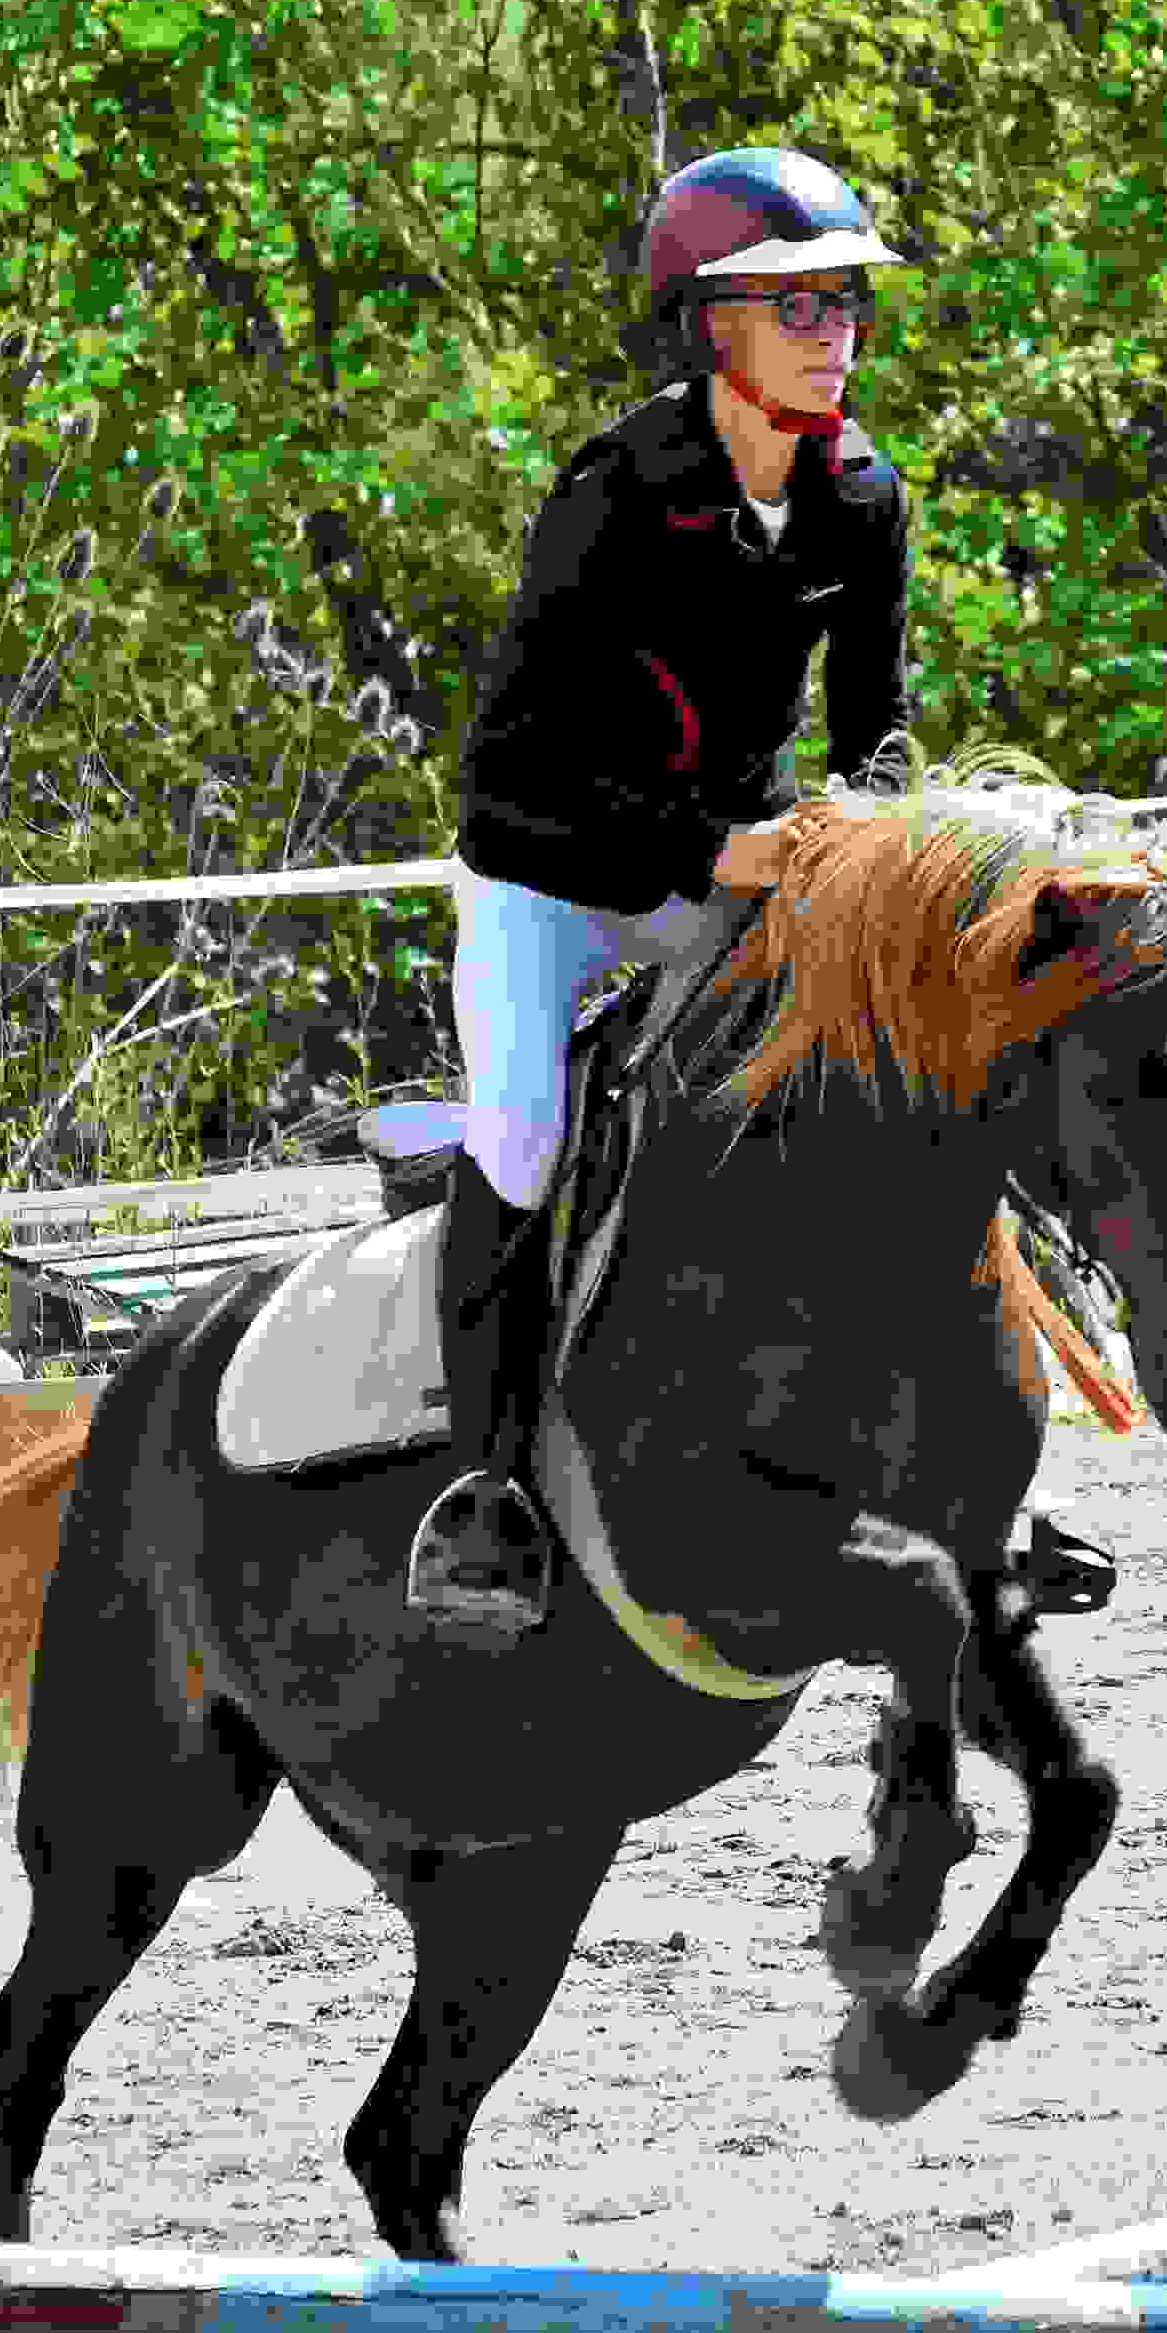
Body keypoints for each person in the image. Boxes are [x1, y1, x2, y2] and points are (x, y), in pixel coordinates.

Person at [412, 146, 913, 1630]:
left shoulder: (862, 499)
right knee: (516, 1130)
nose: (837, 334)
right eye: (801, 308)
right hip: (549, 878)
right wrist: (709, 853)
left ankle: (949, 1436)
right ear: (713, 327)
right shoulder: (614, 498)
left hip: (736, 866)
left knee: (879, 1076)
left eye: (844, 307)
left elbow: (875, 729)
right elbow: (505, 777)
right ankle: (486, 1486)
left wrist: (867, 838)